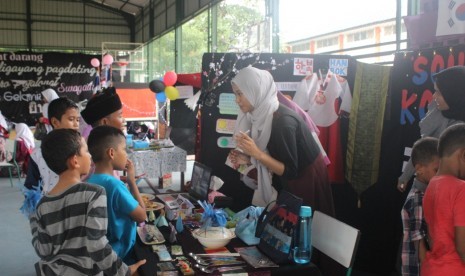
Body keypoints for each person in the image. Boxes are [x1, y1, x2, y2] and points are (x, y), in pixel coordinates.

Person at [29, 129, 146, 275]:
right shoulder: (93, 194)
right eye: (86, 151)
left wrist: (34, 220)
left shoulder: (43, 205)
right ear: (75, 160)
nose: (90, 156)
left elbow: (44, 251)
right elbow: (97, 245)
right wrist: (124, 271)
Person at [229, 66, 335, 216]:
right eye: (235, 94)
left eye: (240, 94)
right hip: (291, 176)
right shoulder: (260, 116)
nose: (237, 100)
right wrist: (248, 157)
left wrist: (256, 154)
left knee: (306, 227)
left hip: (306, 177)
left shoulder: (283, 123)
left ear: (256, 91)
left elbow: (290, 171)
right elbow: (276, 155)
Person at [398, 66, 465, 192]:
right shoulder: (438, 112)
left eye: (439, 92)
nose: (434, 96)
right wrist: (405, 176)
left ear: (453, 94)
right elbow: (423, 148)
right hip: (427, 186)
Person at [87, 125, 146, 263]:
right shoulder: (114, 185)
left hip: (102, 253)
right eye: (124, 149)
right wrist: (131, 182)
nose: (126, 154)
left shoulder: (90, 181)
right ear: (111, 153)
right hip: (120, 255)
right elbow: (142, 216)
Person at [421, 123, 465, 275]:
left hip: (432, 268)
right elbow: (462, 247)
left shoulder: (432, 185)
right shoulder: (461, 188)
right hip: (455, 270)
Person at [24, 97, 80, 194]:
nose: (76, 124)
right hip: (49, 205)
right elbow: (31, 187)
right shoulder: (38, 155)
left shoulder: (81, 149)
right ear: (55, 122)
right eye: (71, 119)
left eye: (78, 120)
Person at [400, 137, 439, 276]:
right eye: (436, 170)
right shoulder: (418, 198)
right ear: (419, 169)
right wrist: (429, 269)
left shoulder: (425, 192)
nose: (441, 174)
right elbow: (419, 240)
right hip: (417, 269)